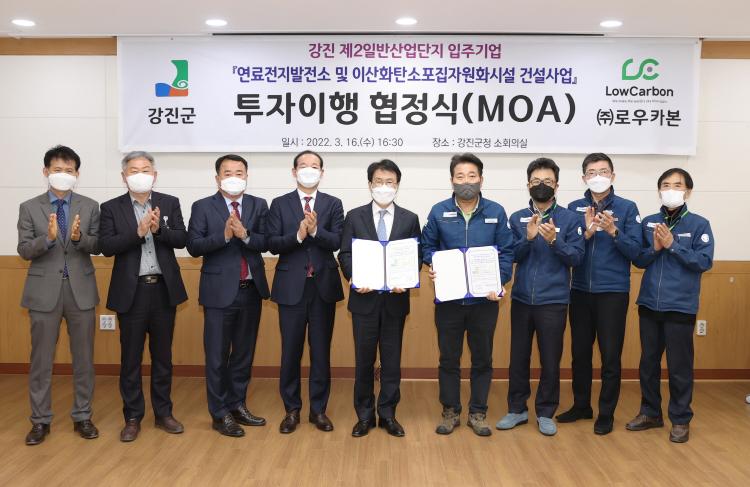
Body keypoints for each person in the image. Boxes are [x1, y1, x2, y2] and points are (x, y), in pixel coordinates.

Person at [421, 153, 514, 437]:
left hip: (484, 301)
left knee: (482, 359)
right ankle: (450, 411)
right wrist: (434, 265)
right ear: (452, 180)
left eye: (472, 176)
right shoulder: (438, 211)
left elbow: (506, 252)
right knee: (449, 359)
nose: (466, 182)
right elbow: (427, 246)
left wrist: (499, 281)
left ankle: (478, 412)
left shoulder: (496, 211)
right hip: (449, 300)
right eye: (460, 176)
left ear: (481, 179)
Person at [99, 151, 188, 442]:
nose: (140, 174)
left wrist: (159, 230)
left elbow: (182, 239)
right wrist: (137, 233)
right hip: (132, 292)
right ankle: (133, 417)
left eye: (146, 169)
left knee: (163, 357)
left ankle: (164, 413)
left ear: (155, 175)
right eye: (134, 170)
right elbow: (106, 246)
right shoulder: (111, 208)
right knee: (131, 359)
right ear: (124, 176)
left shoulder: (169, 202)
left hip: (163, 289)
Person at [18, 145, 100, 445]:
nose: (63, 174)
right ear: (45, 172)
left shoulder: (90, 206)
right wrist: (48, 238)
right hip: (43, 293)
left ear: (77, 174)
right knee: (41, 361)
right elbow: (24, 250)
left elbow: (97, 245)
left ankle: (83, 416)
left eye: (69, 170)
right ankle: (40, 420)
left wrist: (79, 238)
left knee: (84, 360)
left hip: (81, 291)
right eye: (57, 169)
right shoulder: (29, 207)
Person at [497, 157, 584, 436]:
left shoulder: (570, 219)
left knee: (550, 359)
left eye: (547, 181)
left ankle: (546, 412)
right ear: (528, 185)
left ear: (556, 185)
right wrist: (528, 238)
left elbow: (577, 257)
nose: (541, 185)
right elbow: (511, 255)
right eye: (536, 181)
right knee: (518, 358)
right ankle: (517, 409)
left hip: (554, 300)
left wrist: (554, 241)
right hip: (522, 299)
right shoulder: (517, 217)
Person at [556, 153, 643, 435]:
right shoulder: (573, 208)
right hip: (580, 290)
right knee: (579, 353)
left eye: (603, 171)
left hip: (613, 292)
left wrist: (613, 231)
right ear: (584, 178)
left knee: (610, 356)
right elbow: (568, 251)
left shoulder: (627, 208)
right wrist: (587, 234)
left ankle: (606, 413)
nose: (598, 176)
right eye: (592, 172)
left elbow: (636, 251)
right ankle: (582, 405)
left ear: (613, 176)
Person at [626, 168, 714, 443]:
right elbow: (639, 260)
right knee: (648, 364)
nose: (671, 190)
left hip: (680, 306)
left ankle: (680, 419)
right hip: (649, 304)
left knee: (679, 367)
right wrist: (655, 248)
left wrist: (673, 245)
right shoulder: (649, 223)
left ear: (688, 191)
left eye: (677, 185)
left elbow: (704, 262)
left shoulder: (699, 224)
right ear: (659, 191)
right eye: (666, 185)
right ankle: (650, 412)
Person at [186, 154, 270, 437]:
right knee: (217, 356)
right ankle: (220, 413)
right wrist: (223, 236)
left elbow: (267, 241)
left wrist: (245, 234)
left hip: (251, 290)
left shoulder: (259, 204)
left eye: (239, 172)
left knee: (243, 355)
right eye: (227, 173)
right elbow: (194, 246)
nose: (234, 177)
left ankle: (237, 405)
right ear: (217, 178)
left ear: (247, 176)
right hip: (218, 293)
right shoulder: (202, 206)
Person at [338, 159, 422, 438]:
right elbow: (345, 254)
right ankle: (364, 416)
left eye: (390, 182)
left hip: (395, 302)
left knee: (391, 362)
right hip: (364, 302)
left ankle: (387, 414)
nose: (384, 187)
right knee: (363, 361)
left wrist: (406, 280)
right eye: (378, 182)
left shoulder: (410, 218)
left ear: (397, 185)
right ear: (370, 184)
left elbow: (416, 255)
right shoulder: (354, 216)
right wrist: (354, 277)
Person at [267, 150, 344, 434]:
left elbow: (337, 240)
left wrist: (314, 232)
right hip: (291, 288)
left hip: (322, 287)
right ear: (294, 171)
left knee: (321, 352)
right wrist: (299, 235)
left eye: (314, 166)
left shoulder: (333, 203)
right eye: (303, 165)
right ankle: (292, 410)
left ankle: (318, 410)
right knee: (290, 351)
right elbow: (273, 243)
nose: (308, 170)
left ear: (322, 173)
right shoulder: (279, 203)